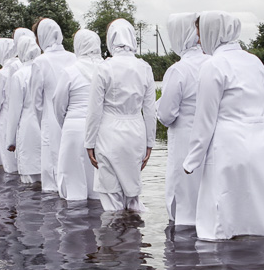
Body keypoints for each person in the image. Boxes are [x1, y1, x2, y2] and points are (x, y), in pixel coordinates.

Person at [183, 11, 264, 241]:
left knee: (222, 213)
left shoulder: (213, 65)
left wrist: (191, 159)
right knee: (261, 210)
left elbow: (205, 119)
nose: (198, 40)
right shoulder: (255, 62)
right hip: (260, 141)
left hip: (228, 144)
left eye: (200, 34)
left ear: (212, 32)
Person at [84, 19, 156, 212]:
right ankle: (134, 236)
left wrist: (89, 143)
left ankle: (112, 239)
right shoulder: (145, 68)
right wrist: (150, 143)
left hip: (109, 131)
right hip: (136, 131)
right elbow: (150, 110)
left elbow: (94, 110)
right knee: (132, 194)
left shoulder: (104, 67)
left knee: (110, 194)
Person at [158, 12, 210, 226]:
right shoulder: (213, 62)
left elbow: (166, 115)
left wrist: (156, 107)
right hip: (211, 138)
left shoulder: (178, 70)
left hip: (184, 139)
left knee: (183, 197)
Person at [52, 28, 102, 202]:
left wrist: (66, 123)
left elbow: (58, 103)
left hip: (73, 126)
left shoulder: (70, 71)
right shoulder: (106, 68)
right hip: (101, 128)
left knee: (72, 177)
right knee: (97, 180)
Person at [31, 18, 78, 192]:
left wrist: (41, 120)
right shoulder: (73, 57)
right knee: (72, 163)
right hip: (72, 116)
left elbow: (36, 99)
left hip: (50, 117)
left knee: (51, 166)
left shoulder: (40, 61)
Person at [5, 30, 43, 183]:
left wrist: (10, 140)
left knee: (29, 176)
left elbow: (14, 111)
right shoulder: (43, 69)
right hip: (44, 124)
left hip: (27, 125)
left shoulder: (19, 75)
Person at [0, 37, 19, 173]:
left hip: (6, 115)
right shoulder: (21, 65)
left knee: (8, 158)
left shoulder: (1, 73)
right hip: (21, 115)